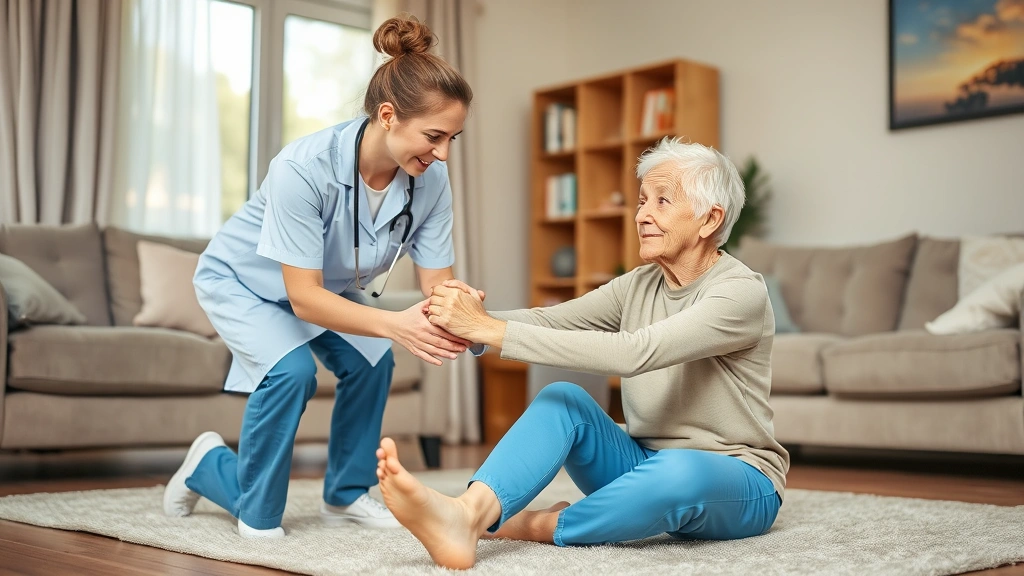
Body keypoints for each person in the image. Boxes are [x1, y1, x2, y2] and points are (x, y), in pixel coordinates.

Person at [374, 138, 790, 569]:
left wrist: (487, 328)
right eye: (642, 200)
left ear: (709, 220)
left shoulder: (740, 292)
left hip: (740, 481)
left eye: (662, 201)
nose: (642, 215)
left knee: (680, 472)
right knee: (563, 400)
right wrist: (466, 321)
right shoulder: (639, 284)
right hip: (642, 465)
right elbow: (555, 320)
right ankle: (467, 515)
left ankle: (526, 525)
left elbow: (637, 352)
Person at [161, 15, 479, 539]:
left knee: (373, 361)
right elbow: (303, 299)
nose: (443, 153)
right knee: (291, 373)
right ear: (387, 115)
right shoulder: (304, 168)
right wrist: (396, 325)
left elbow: (436, 281)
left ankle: (346, 494)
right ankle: (212, 469)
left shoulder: (432, 180)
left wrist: (464, 312)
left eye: (452, 139)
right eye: (434, 136)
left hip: (322, 285)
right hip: (240, 281)